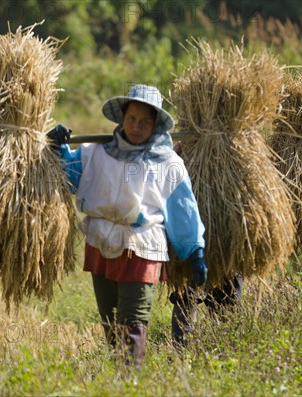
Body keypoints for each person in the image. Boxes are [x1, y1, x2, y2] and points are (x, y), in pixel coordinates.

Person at [47, 84, 208, 366]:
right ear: (122, 118)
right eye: (132, 118)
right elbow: (70, 177)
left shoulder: (168, 163)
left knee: (132, 324)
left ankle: (131, 379)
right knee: (111, 324)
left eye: (145, 121)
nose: (137, 126)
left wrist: (194, 250)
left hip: (142, 246)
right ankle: (119, 379)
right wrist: (57, 147)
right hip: (101, 242)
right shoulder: (95, 152)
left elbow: (182, 208)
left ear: (155, 125)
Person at [167, 141, 243, 347]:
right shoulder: (179, 154)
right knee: (187, 294)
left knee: (226, 294)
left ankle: (226, 348)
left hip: (224, 233)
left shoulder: (234, 148)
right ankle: (181, 350)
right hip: (190, 239)